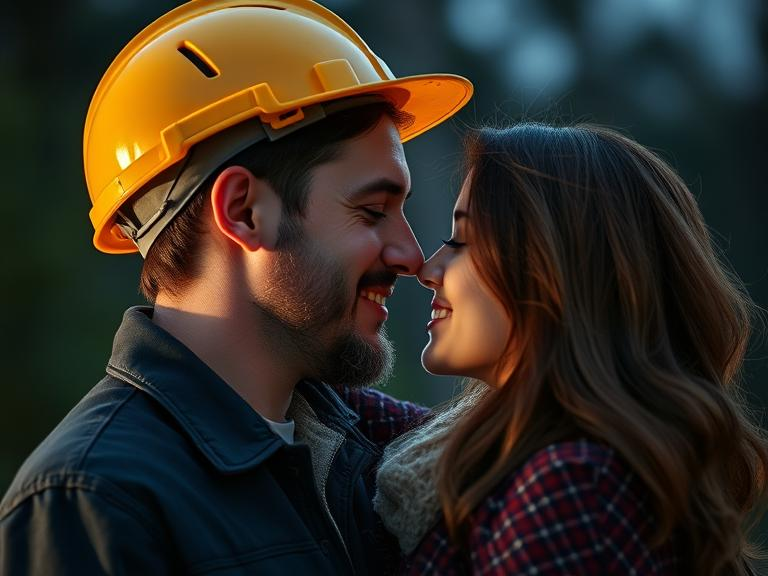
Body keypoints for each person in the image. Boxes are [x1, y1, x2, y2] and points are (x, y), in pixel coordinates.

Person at [0, 1, 470, 573]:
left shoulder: (375, 458)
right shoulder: (93, 503)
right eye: (372, 211)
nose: (411, 256)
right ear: (244, 211)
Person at [374, 123, 768, 575]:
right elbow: (342, 409)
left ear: (554, 267)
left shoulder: (573, 487)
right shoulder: (519, 446)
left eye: (462, 241)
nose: (428, 269)